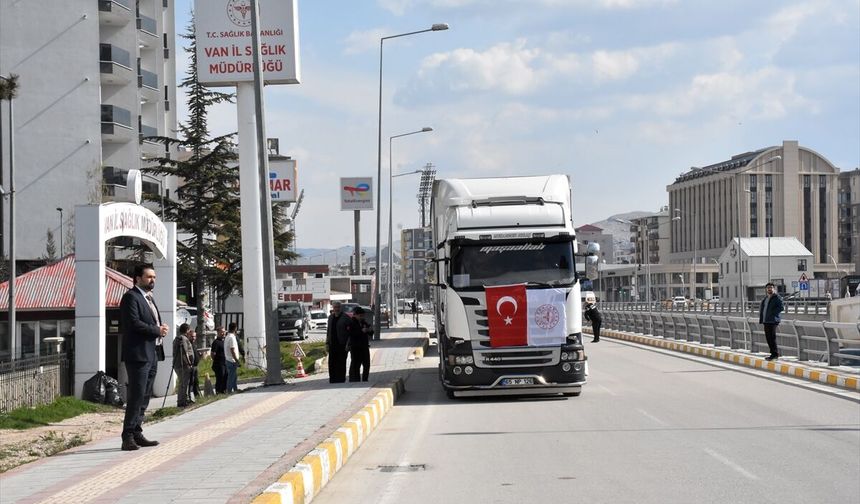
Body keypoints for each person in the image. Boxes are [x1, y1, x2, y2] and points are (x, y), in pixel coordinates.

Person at [119, 264, 168, 451]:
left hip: (152, 353)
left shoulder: (148, 298)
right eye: (149, 277)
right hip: (138, 354)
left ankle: (137, 432)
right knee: (137, 395)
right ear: (138, 278)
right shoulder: (131, 297)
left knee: (145, 396)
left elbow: (149, 321)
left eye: (154, 277)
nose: (152, 280)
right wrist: (157, 330)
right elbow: (133, 324)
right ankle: (128, 436)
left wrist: (160, 329)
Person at [759, 282, 784, 361]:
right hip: (766, 320)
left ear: (774, 289)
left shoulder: (777, 297)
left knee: (772, 338)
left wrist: (773, 313)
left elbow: (781, 307)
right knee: (768, 338)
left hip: (773, 320)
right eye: (768, 288)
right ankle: (772, 353)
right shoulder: (765, 299)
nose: (769, 289)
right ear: (766, 289)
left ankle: (775, 354)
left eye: (771, 287)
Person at [347, 306, 372, 382]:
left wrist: (369, 330)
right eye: (360, 316)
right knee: (356, 364)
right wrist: (361, 331)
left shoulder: (363, 322)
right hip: (355, 347)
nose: (361, 317)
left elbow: (370, 332)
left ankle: (365, 379)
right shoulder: (351, 323)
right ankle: (355, 380)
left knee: (366, 364)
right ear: (355, 315)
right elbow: (351, 334)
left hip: (364, 346)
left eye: (362, 315)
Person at [173, 323, 194, 407]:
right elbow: (185, 352)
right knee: (183, 383)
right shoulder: (183, 339)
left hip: (177, 364)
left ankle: (181, 400)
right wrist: (189, 363)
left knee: (182, 383)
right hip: (183, 365)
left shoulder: (176, 339)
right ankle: (182, 401)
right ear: (187, 330)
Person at [326, 302, 347, 383]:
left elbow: (349, 330)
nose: (337, 309)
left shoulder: (345, 317)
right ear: (333, 308)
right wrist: (327, 343)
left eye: (338, 307)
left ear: (340, 308)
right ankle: (333, 379)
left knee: (341, 362)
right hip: (332, 344)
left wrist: (348, 343)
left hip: (342, 344)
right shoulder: (330, 317)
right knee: (332, 362)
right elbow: (328, 331)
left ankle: (341, 379)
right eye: (335, 307)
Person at [210, 326, 228, 394]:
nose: (223, 333)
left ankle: (224, 390)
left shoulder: (224, 341)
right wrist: (216, 360)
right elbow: (212, 354)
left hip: (225, 363)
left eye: (224, 332)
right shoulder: (216, 342)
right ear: (218, 333)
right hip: (219, 364)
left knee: (225, 376)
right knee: (220, 377)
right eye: (222, 332)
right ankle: (218, 391)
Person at [224, 322, 241, 393]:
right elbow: (232, 350)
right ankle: (229, 391)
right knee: (231, 377)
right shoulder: (232, 338)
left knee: (234, 376)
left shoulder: (227, 337)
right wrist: (237, 360)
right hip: (232, 360)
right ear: (235, 328)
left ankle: (235, 389)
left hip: (228, 359)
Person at [186, 329, 201, 402]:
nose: (194, 338)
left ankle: (197, 396)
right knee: (190, 383)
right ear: (188, 336)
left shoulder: (194, 344)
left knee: (196, 382)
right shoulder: (188, 344)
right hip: (190, 367)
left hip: (195, 366)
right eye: (192, 336)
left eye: (195, 336)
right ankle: (188, 398)